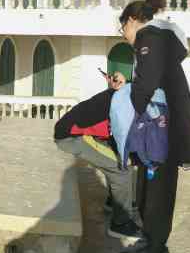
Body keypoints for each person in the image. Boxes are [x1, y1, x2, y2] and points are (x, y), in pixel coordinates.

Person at [116, 0, 190, 253]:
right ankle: (152, 246)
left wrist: (128, 102)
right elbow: (149, 84)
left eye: (122, 28)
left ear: (131, 21)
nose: (123, 35)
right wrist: (128, 87)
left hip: (163, 134)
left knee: (158, 200)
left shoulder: (149, 39)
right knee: (147, 194)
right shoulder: (154, 41)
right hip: (158, 132)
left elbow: (147, 87)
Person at [53, 70, 143, 242]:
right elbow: (121, 135)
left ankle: (115, 202)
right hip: (72, 137)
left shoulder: (119, 95)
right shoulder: (121, 102)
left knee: (117, 159)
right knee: (121, 169)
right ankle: (121, 224)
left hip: (78, 132)